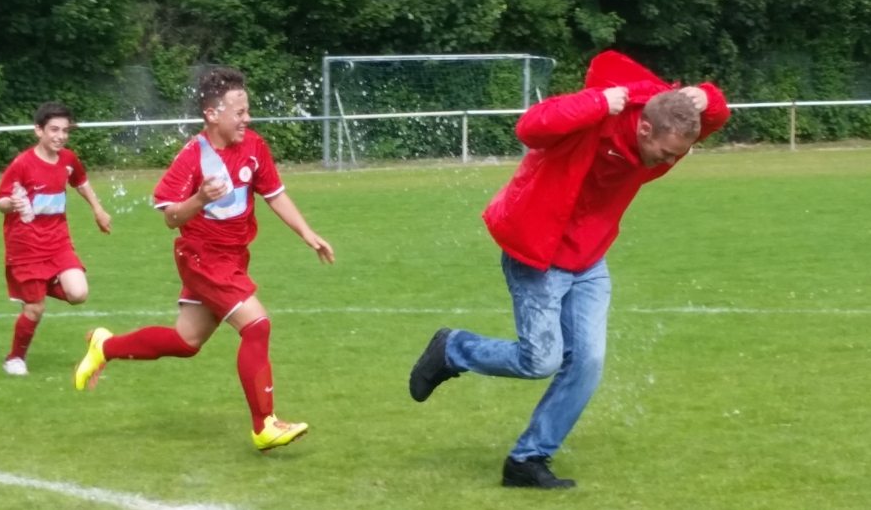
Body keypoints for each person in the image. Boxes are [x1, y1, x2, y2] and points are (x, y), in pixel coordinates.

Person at [408, 51, 731, 489]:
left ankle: (527, 460)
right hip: (538, 252)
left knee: (587, 362)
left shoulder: (666, 124)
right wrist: (600, 100)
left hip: (589, 257)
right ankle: (453, 349)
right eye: (667, 151)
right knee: (540, 360)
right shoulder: (596, 121)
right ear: (644, 128)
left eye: (680, 152)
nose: (672, 160)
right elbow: (529, 127)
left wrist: (706, 97)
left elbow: (715, 116)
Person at [73, 67, 335, 452]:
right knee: (257, 325)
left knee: (186, 341)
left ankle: (105, 347)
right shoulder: (193, 156)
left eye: (247, 111)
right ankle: (264, 425)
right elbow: (170, 217)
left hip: (233, 258)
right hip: (203, 258)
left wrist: (307, 234)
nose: (247, 119)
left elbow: (274, 194)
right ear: (212, 114)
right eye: (239, 112)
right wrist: (200, 199)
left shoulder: (254, 147)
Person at [0, 101, 112, 376]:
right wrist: (12, 203)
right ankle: (15, 358)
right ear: (39, 130)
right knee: (35, 309)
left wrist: (98, 209)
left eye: (65, 130)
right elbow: (1, 201)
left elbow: (80, 181)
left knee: (78, 293)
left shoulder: (68, 159)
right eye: (54, 130)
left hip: (58, 242)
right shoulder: (22, 164)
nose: (60, 136)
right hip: (26, 246)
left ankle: (39, 285)